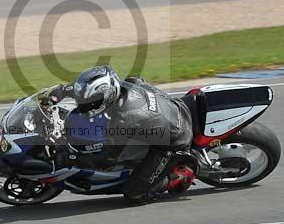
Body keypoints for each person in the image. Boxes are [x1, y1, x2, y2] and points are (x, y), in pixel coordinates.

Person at [43, 66, 194, 204]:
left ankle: (179, 177)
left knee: (134, 194)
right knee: (134, 81)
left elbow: (108, 157)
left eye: (87, 102)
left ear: (105, 98)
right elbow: (80, 88)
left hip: (174, 139)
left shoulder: (123, 119)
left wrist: (72, 157)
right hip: (171, 108)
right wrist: (60, 91)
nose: (82, 105)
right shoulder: (119, 86)